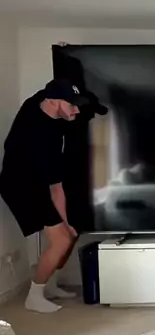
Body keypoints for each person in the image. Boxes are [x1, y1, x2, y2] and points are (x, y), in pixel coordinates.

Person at [0, 78, 89, 313]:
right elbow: (56, 189)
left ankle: (49, 285)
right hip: (20, 186)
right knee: (62, 239)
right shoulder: (42, 142)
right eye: (72, 105)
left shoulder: (39, 102)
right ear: (53, 102)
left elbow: (51, 91)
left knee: (70, 232)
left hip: (34, 180)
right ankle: (34, 297)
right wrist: (65, 225)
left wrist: (68, 224)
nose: (77, 110)